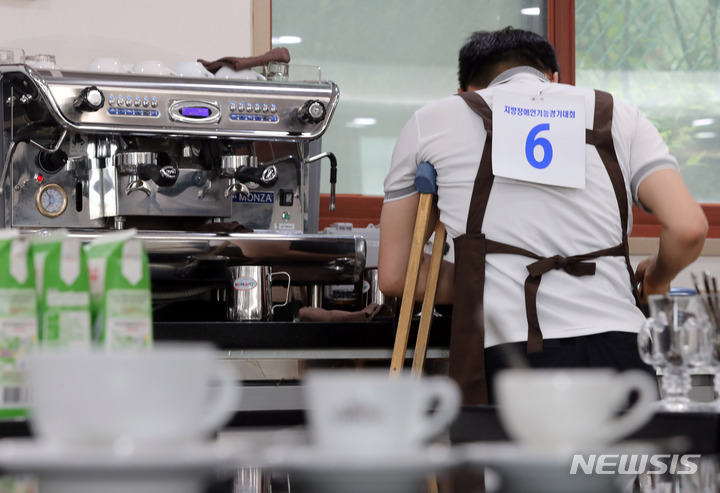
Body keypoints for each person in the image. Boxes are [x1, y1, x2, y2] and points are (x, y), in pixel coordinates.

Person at [378, 26, 708, 406]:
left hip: (514, 358)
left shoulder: (432, 121)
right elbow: (688, 228)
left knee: (528, 469)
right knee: (608, 468)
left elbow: (395, 274)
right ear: (556, 79)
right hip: (624, 350)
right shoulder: (619, 114)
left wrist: (482, 271)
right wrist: (656, 276)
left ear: (465, 91)